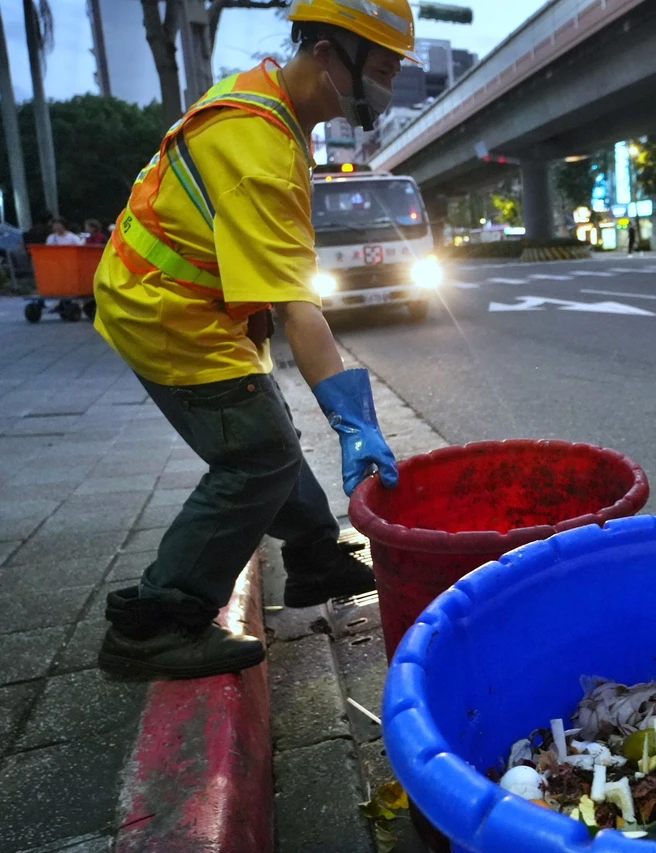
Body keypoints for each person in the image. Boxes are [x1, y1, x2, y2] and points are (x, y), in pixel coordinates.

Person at [91, 0, 419, 679]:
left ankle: (314, 558)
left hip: (174, 295)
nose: (388, 87)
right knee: (257, 456)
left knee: (265, 432)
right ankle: (158, 620)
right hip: (165, 308)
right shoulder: (261, 149)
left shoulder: (269, 102)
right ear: (329, 54)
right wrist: (354, 423)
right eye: (382, 68)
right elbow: (301, 310)